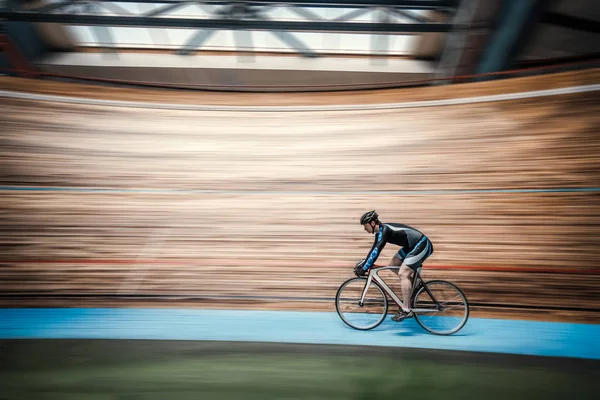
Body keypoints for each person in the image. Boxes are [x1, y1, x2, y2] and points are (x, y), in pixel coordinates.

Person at [355, 210, 434, 322]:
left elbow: (376, 251)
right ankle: (414, 284)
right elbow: (374, 250)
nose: (364, 229)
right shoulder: (380, 232)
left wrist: (364, 268)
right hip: (411, 246)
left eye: (365, 226)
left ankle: (407, 310)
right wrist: (364, 264)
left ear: (373, 224)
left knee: (403, 273)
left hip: (422, 244)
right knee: (393, 265)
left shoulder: (385, 230)